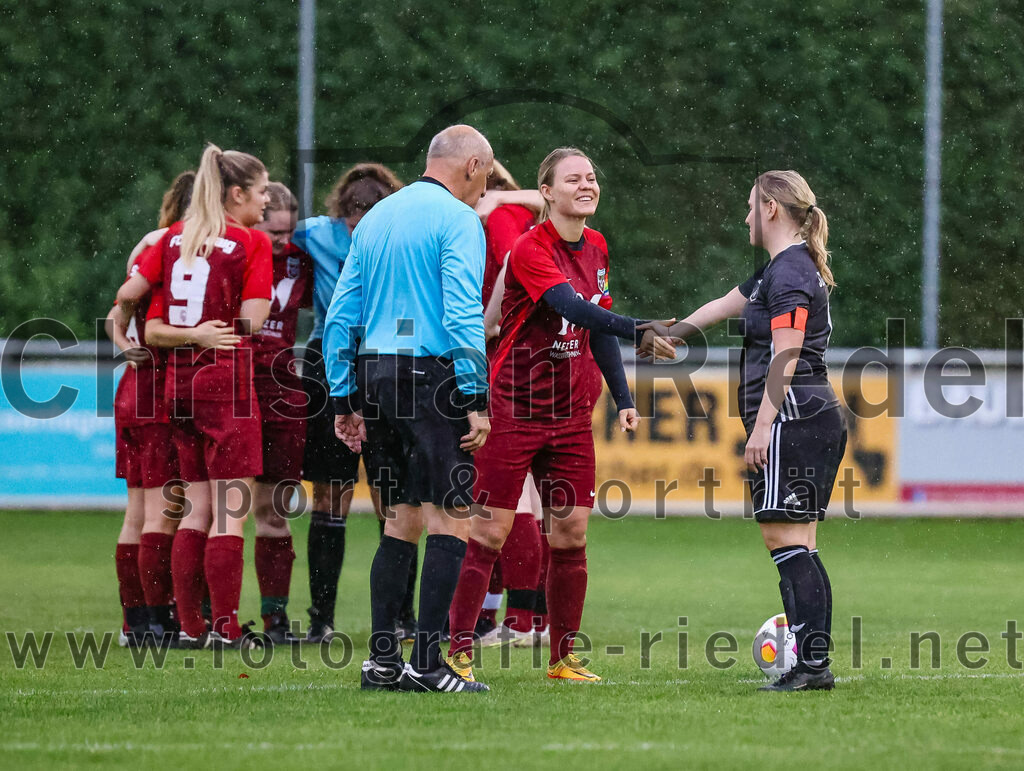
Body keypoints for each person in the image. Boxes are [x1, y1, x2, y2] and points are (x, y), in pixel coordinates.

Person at [446, 147, 674, 685]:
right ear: (546, 192)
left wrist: (623, 397)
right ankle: (457, 653)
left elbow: (595, 323)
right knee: (490, 532)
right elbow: (572, 307)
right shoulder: (530, 247)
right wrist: (640, 328)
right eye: (573, 179)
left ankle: (562, 659)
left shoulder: (597, 245)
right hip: (514, 408)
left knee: (570, 534)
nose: (586, 185)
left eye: (591, 177)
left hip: (571, 416)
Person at [639, 170, 845, 691]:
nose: (746, 216)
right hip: (809, 414)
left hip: (793, 414)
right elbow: (721, 307)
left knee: (785, 540)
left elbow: (786, 356)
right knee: (799, 542)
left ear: (772, 208)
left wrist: (762, 428)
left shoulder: (790, 271)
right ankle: (811, 663)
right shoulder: (778, 269)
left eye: (752, 206)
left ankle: (810, 666)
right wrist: (671, 335)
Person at [325, 124, 494, 693]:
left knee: (399, 520)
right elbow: (462, 311)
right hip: (433, 375)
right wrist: (474, 395)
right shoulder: (459, 220)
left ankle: (382, 663)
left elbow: (340, 314)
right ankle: (427, 665)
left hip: (375, 373)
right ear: (471, 166)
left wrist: (344, 397)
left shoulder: (375, 218)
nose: (485, 189)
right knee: (452, 518)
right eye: (486, 176)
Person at [117, 144, 272, 649]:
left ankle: (188, 626)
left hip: (177, 385)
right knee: (230, 512)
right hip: (226, 382)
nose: (267, 201)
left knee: (194, 509)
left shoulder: (173, 239)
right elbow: (252, 320)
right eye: (262, 191)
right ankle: (225, 628)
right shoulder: (250, 241)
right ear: (237, 193)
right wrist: (226, 315)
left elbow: (134, 303)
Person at [291, 164, 406, 644]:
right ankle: (321, 618)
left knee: (393, 495)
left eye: (369, 215)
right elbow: (267, 232)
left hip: (385, 360)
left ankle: (401, 616)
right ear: (341, 212)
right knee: (329, 493)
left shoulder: (401, 237)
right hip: (328, 361)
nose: (359, 226)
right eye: (353, 217)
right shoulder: (317, 233)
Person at [107, 170, 194, 647]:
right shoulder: (177, 247)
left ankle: (135, 622)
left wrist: (126, 348)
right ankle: (159, 623)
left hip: (135, 390)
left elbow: (115, 314)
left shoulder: (149, 242)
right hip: (161, 392)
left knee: (138, 514)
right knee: (168, 512)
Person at [250, 182, 313, 645]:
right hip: (231, 380)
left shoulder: (301, 259)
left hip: (281, 384)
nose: (282, 241)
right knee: (211, 507)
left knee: (275, 508)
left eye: (288, 232)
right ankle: (206, 617)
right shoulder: (229, 253)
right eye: (274, 232)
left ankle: (275, 619)